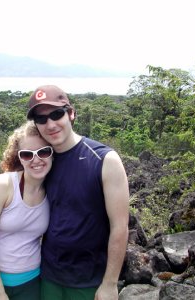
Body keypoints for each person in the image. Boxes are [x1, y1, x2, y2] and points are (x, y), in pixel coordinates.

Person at [26, 85, 130, 300]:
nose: (50, 124)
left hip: (89, 280)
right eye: (41, 119)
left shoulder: (103, 160)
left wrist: (110, 284)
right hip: (48, 276)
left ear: (71, 114)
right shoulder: (41, 162)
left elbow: (120, 227)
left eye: (56, 114)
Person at [0, 121, 53, 300]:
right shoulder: (2, 186)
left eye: (43, 151)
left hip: (30, 283)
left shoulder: (54, 192)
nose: (36, 159)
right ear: (18, 157)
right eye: (27, 154)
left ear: (53, 153)